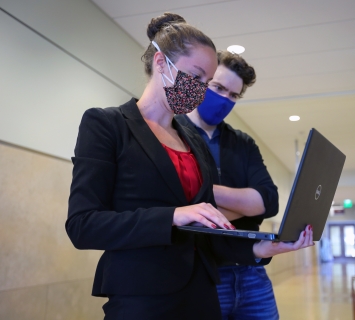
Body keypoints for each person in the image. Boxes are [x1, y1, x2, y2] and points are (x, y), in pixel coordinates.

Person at [65, 13, 314, 320]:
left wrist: (260, 249)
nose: (200, 89)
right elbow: (83, 225)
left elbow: (203, 236)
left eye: (205, 82)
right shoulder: (107, 125)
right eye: (195, 77)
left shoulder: (193, 142)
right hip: (143, 301)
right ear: (161, 63)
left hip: (202, 298)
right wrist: (173, 215)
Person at [176, 51, 282, 319]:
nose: (225, 99)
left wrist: (202, 197)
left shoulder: (243, 143)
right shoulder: (172, 133)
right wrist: (247, 206)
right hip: (201, 276)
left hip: (251, 272)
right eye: (218, 88)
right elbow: (173, 200)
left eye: (233, 95)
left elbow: (269, 201)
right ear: (203, 81)